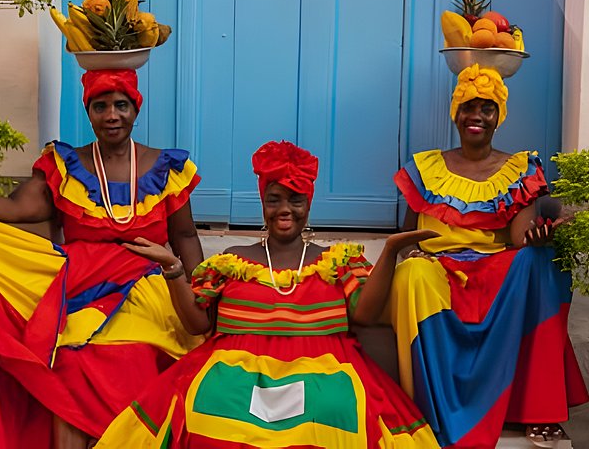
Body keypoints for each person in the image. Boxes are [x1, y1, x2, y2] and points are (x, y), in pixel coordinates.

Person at [0, 69, 205, 449]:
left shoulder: (166, 169)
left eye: (121, 105)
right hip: (80, 288)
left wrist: (200, 290)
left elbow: (184, 235)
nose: (112, 115)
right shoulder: (65, 166)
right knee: (66, 363)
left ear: (136, 108)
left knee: (131, 356)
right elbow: (18, 207)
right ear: (89, 113)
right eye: (100, 106)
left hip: (147, 289)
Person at [95, 140, 441, 448]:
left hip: (324, 370)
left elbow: (365, 314)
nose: (284, 209)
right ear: (262, 203)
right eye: (274, 200)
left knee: (335, 410)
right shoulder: (232, 260)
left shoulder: (338, 262)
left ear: (309, 204)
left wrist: (391, 250)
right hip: (232, 369)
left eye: (296, 200)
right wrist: (173, 269)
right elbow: (196, 323)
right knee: (210, 405)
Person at [389, 64, 589, 448]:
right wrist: (414, 252)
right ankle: (428, 411)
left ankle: (539, 411)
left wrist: (539, 236)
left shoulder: (518, 168)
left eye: (487, 108)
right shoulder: (425, 167)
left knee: (538, 262)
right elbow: (406, 233)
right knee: (412, 272)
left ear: (499, 116)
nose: (476, 115)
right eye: (468, 106)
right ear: (456, 113)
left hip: (494, 271)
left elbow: (519, 238)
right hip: (438, 273)